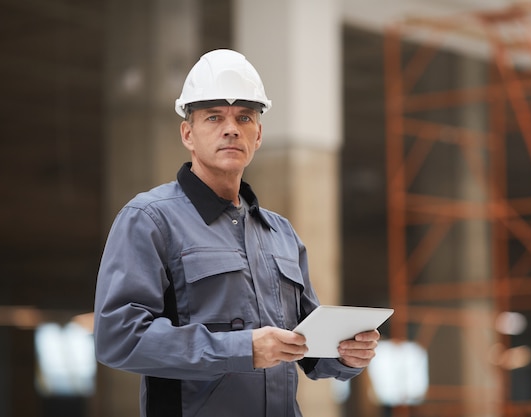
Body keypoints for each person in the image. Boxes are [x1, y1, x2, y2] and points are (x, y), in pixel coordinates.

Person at [93, 49, 380, 417]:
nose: (231, 128)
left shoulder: (281, 233)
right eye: (214, 117)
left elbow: (309, 350)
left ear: (257, 135)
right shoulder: (149, 220)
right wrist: (242, 349)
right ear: (188, 134)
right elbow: (117, 338)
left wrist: (348, 354)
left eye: (244, 117)